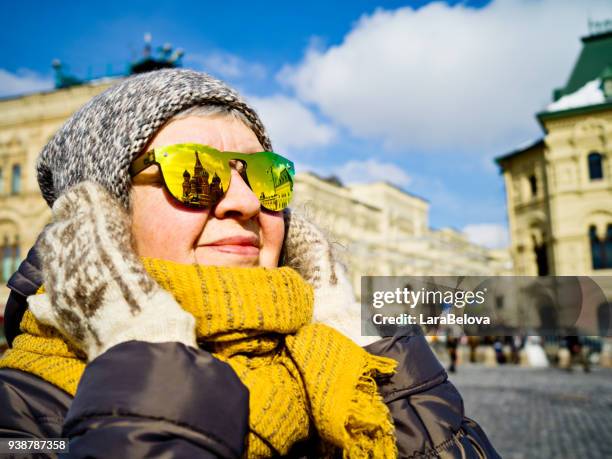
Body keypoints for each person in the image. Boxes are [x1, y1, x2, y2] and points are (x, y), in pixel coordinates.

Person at [0, 69, 500, 458]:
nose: (244, 201)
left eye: (266, 176)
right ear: (101, 219)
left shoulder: (346, 361)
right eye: (193, 172)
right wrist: (149, 358)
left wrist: (382, 365)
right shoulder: (24, 411)